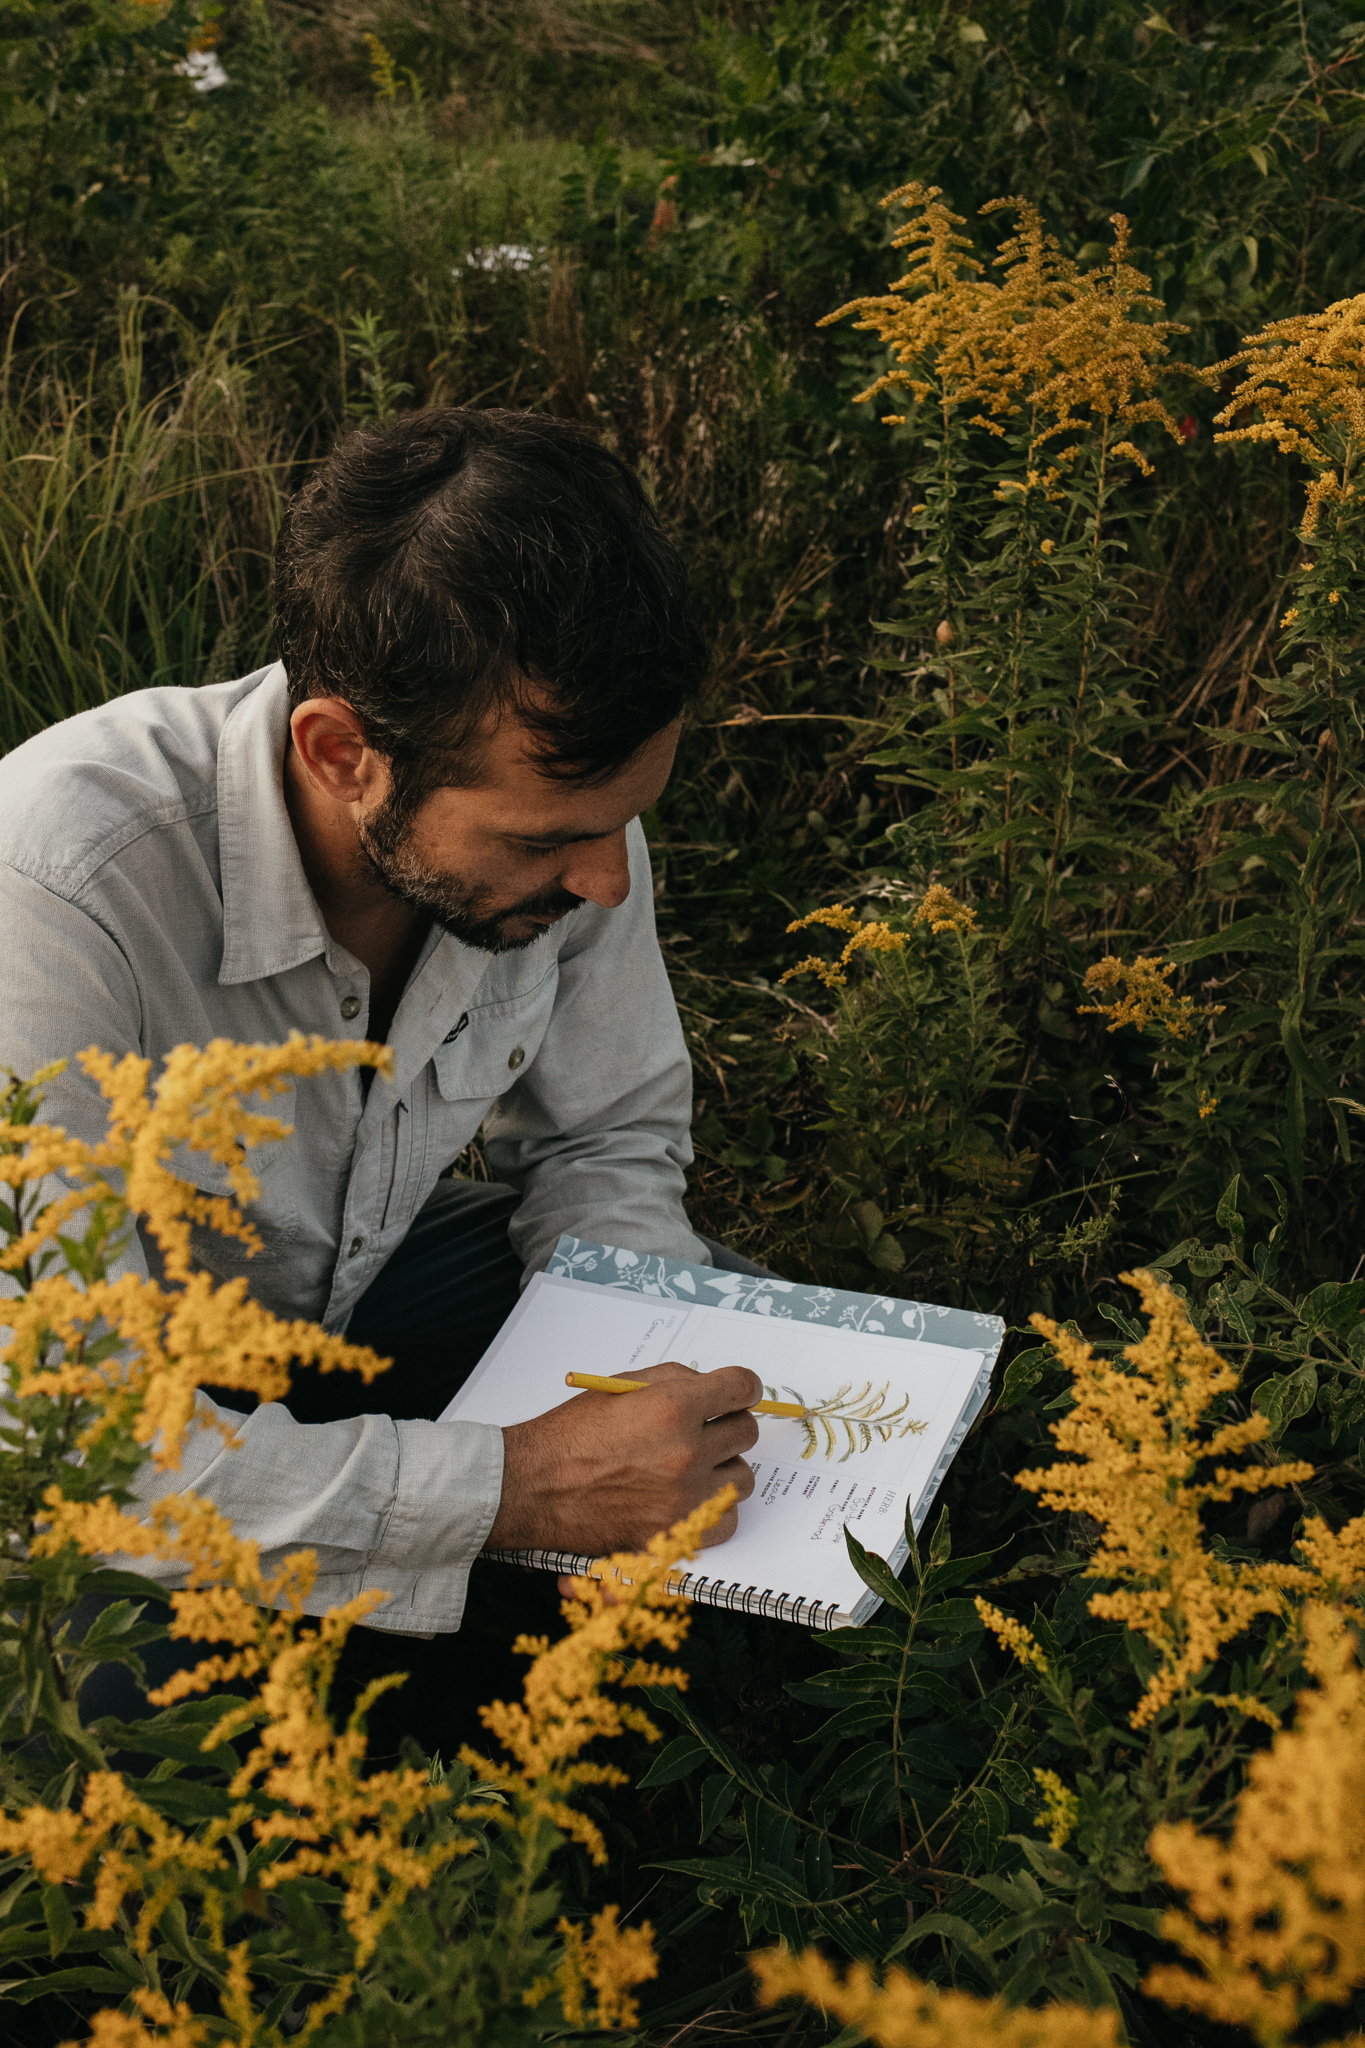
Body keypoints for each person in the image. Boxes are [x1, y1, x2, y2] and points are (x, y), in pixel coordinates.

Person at [0, 410, 763, 1716]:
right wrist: (519, 1486)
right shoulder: (56, 889)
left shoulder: (572, 831)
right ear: (341, 754)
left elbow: (605, 1142)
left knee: (733, 1389)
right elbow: (69, 1439)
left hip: (330, 1318)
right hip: (75, 1419)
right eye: (547, 839)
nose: (599, 879)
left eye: (626, 823)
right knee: (138, 1691)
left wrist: (639, 1366)